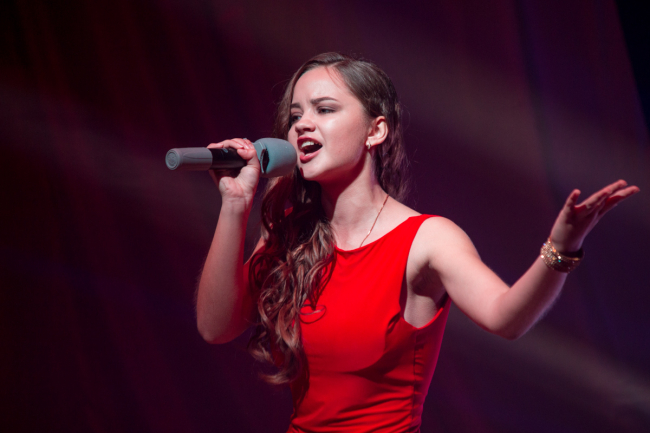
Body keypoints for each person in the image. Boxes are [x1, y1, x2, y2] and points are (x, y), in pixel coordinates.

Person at [195, 52, 639, 432]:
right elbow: (215, 327)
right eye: (295, 116)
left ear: (376, 131)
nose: (302, 125)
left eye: (324, 109)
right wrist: (235, 204)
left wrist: (562, 247)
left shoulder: (427, 239)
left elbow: (506, 318)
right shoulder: (292, 233)